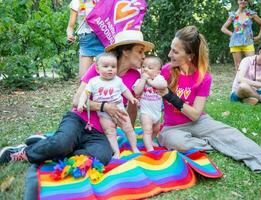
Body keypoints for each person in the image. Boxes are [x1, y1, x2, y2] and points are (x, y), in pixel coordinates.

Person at [0, 29, 154, 199]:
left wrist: (127, 129)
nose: (143, 57)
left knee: (102, 156)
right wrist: (104, 107)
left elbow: (131, 109)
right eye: (140, 51)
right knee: (61, 144)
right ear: (125, 51)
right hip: (79, 120)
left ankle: (53, 144)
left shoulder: (135, 76)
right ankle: (25, 152)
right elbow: (76, 101)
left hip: (101, 132)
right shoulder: (102, 67)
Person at [157, 25, 261, 179]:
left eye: (175, 51)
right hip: (172, 127)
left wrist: (169, 95)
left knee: (230, 134)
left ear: (190, 56)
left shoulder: (204, 77)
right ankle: (216, 143)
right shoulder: (166, 71)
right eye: (171, 49)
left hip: (198, 121)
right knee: (177, 142)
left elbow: (195, 115)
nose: (169, 54)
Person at [78, 52, 140, 158]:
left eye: (113, 66)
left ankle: (135, 148)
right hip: (103, 114)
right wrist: (81, 102)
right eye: (106, 66)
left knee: (128, 128)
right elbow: (85, 93)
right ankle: (116, 152)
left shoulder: (117, 80)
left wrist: (132, 98)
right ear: (97, 69)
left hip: (119, 110)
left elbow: (125, 91)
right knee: (110, 132)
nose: (110, 69)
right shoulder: (93, 81)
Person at [133, 56, 167, 151]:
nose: (146, 69)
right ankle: (149, 149)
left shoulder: (159, 79)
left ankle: (151, 140)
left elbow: (163, 85)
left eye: (150, 68)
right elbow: (137, 92)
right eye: (143, 67)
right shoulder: (140, 81)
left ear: (158, 72)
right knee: (147, 130)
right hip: (146, 112)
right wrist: (144, 80)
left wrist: (150, 82)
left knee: (156, 130)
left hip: (157, 112)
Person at [221, 0, 261, 71]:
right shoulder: (233, 15)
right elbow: (223, 28)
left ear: (247, 2)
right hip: (235, 43)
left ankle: (250, 82)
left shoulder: (251, 14)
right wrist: (232, 35)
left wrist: (259, 36)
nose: (243, 1)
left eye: (245, 0)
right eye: (241, 0)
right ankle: (239, 82)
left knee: (252, 65)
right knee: (238, 67)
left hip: (248, 41)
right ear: (238, 1)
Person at [67, 0, 105, 78]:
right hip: (86, 40)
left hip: (103, 39)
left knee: (105, 76)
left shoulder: (103, 1)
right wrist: (70, 35)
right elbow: (70, 27)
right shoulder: (76, 2)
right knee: (83, 79)